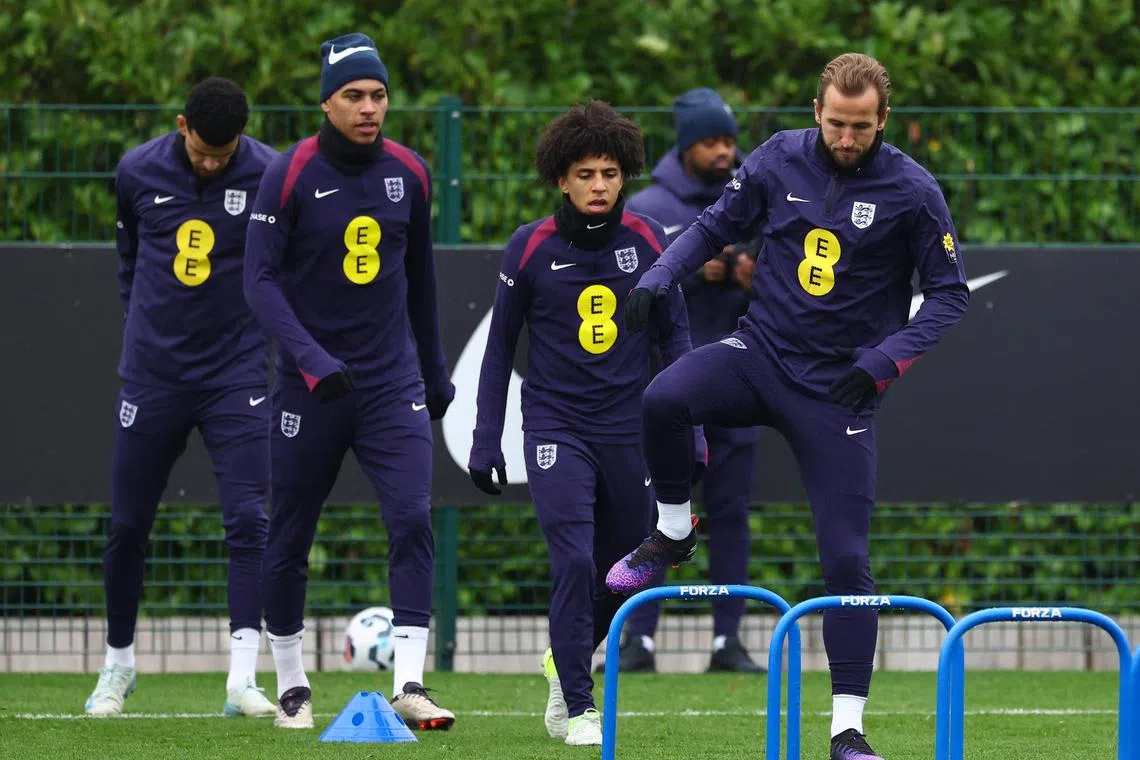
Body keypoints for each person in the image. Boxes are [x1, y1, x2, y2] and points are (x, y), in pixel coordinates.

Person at [609, 53, 969, 760]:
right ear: (816, 111)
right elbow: (713, 228)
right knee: (664, 398)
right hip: (760, 357)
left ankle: (846, 728)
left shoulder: (914, 190)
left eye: (860, 127)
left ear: (882, 120)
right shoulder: (776, 158)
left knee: (845, 560)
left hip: (838, 391)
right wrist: (657, 278)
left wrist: (884, 360)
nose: (846, 138)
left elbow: (950, 295)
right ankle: (674, 534)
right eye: (836, 123)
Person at [467, 101, 702, 746]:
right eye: (584, 174)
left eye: (609, 173)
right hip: (556, 426)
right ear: (560, 180)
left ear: (623, 175)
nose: (598, 185)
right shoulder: (530, 246)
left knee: (629, 571)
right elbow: (498, 348)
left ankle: (563, 657)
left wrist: (694, 434)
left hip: (632, 428)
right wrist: (488, 436)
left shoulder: (652, 241)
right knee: (572, 558)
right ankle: (578, 705)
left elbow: (677, 343)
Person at [243, 33, 456, 730]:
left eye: (379, 95)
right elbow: (259, 282)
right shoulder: (288, 173)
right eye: (354, 96)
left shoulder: (411, 173)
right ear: (326, 102)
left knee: (412, 518)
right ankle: (294, 687)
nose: (369, 108)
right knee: (290, 534)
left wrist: (433, 369)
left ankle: (411, 683)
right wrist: (310, 359)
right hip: (311, 388)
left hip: (391, 382)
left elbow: (420, 281)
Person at [87, 77, 279, 718]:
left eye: (223, 155)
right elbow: (127, 259)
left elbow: (280, 267)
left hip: (238, 376)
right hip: (155, 376)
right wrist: (146, 333)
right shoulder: (136, 170)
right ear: (180, 126)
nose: (211, 163)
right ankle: (118, 666)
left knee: (250, 521)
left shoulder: (269, 174)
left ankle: (242, 679)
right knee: (127, 525)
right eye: (202, 152)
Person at [621, 87, 765, 674]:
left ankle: (727, 641)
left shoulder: (757, 202)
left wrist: (754, 274)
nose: (724, 152)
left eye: (730, 140)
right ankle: (640, 641)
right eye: (711, 141)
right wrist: (691, 270)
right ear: (685, 146)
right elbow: (636, 294)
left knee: (730, 513)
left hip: (741, 386)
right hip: (672, 389)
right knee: (657, 514)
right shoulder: (651, 206)